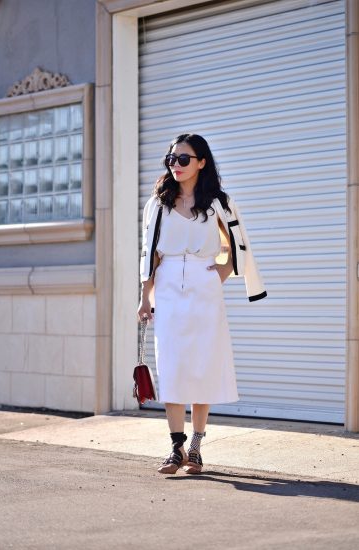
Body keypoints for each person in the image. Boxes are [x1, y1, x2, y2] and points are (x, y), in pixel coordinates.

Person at [137, 133, 267, 475]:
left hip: (204, 289)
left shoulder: (216, 203)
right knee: (173, 365)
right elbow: (148, 253)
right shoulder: (158, 203)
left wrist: (223, 270)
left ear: (201, 162)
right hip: (167, 290)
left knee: (203, 365)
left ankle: (195, 447)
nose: (175, 165)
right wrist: (144, 298)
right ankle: (176, 447)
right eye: (171, 159)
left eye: (183, 159)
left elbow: (236, 240)